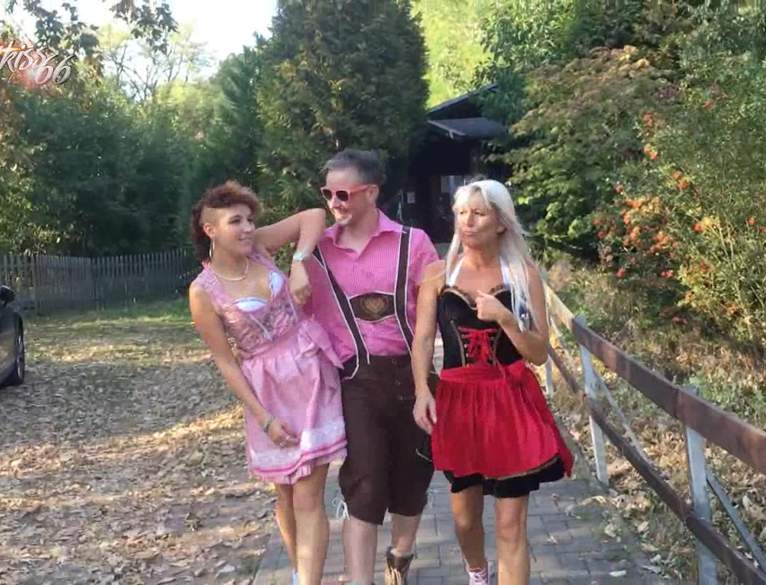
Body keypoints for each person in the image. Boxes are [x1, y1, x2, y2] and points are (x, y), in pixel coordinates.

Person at [411, 179, 574, 585]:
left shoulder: (523, 275)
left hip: (510, 403)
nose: (467, 222)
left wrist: (505, 319)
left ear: (500, 222)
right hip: (458, 403)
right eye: (462, 213)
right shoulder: (438, 274)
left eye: (478, 213)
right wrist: (421, 392)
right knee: (465, 520)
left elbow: (538, 352)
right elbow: (422, 340)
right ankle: (478, 572)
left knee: (510, 525)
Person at [188, 181, 346, 585]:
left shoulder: (258, 246)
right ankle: (298, 570)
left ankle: (308, 580)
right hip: (268, 393)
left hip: (310, 372)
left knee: (309, 493)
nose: (246, 228)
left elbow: (314, 216)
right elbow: (226, 362)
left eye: (249, 219)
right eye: (235, 221)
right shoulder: (203, 292)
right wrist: (263, 418)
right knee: (286, 493)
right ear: (210, 230)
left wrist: (299, 261)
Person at [303, 149, 439, 585]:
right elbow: (257, 244)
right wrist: (295, 263)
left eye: (343, 193)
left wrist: (428, 386)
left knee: (414, 479)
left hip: (413, 374)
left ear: (372, 192)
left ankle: (400, 555)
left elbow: (435, 316)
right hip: (356, 379)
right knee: (364, 484)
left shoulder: (413, 243)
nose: (334, 202)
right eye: (327, 193)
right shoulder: (317, 251)